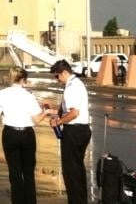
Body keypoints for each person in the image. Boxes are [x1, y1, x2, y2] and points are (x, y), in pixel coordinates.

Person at [0, 66, 50, 204]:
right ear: (23, 80)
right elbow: (36, 120)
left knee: (15, 171)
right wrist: (45, 113)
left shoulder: (1, 93)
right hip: (27, 134)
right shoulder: (29, 96)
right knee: (28, 171)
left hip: (10, 133)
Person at [49, 59, 91, 204]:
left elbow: (74, 113)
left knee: (71, 172)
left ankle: (75, 201)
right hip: (83, 130)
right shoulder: (77, 83)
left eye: (57, 76)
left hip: (74, 131)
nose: (57, 79)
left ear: (65, 72)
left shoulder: (71, 87)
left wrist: (58, 122)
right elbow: (68, 110)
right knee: (78, 169)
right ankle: (81, 200)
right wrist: (53, 111)